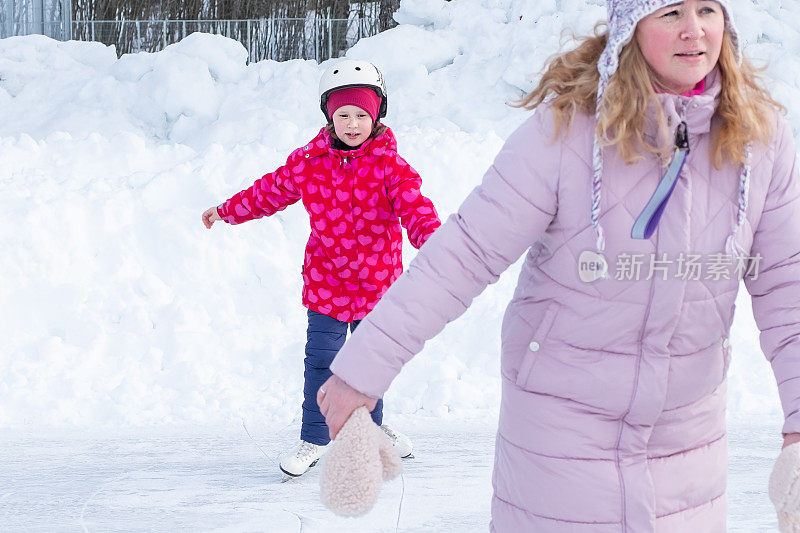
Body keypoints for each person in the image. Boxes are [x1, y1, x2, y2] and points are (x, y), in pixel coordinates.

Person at [317, 0, 800, 530]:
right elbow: (464, 254)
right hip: (559, 435)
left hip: (687, 447)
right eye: (669, 12)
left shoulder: (760, 138)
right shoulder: (567, 131)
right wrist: (360, 373)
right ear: (630, 26)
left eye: (707, 9)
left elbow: (788, 284)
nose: (694, 30)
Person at [202, 59, 441, 478]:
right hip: (327, 284)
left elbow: (416, 211)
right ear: (330, 118)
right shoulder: (310, 162)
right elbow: (268, 192)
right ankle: (313, 438)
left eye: (361, 115)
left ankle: (372, 431)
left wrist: (438, 244)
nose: (352, 124)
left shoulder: (391, 168)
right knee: (322, 363)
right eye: (343, 115)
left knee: (371, 364)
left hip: (377, 286)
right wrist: (226, 211)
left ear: (377, 115)